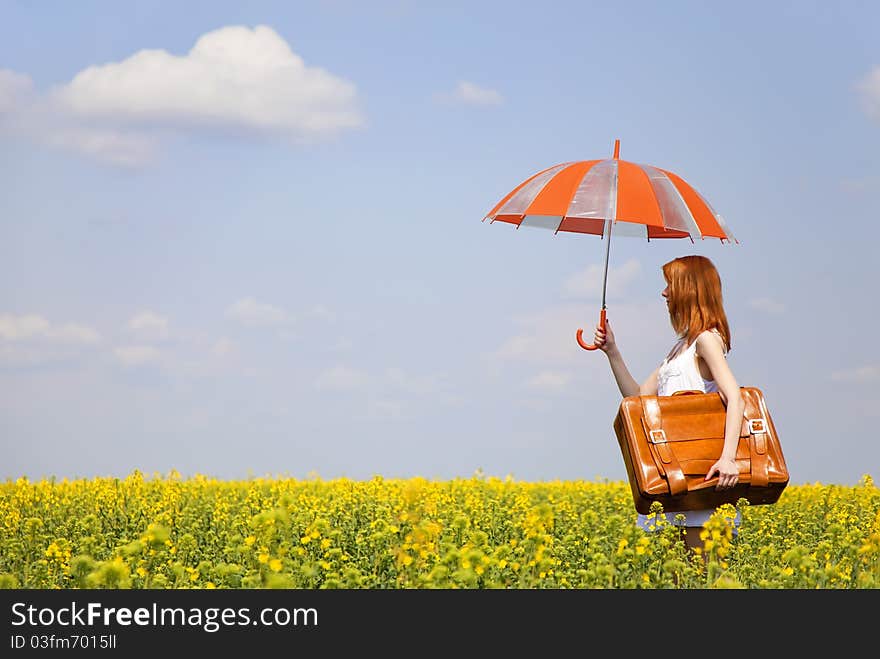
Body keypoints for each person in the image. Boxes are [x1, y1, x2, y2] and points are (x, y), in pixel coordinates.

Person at [592, 255, 745, 554]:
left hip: (704, 481)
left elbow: (735, 397)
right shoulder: (679, 349)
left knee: (702, 579)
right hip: (676, 482)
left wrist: (728, 460)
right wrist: (612, 351)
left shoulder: (706, 341)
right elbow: (636, 399)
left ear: (689, 289)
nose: (664, 293)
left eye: (669, 285)